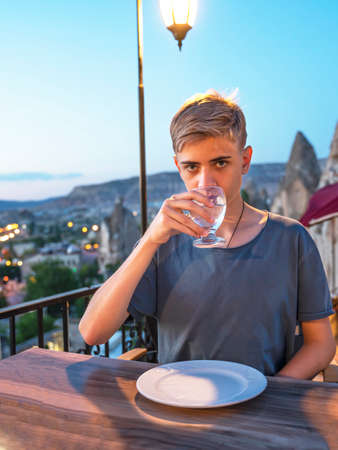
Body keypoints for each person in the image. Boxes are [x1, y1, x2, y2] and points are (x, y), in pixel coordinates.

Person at [79, 90, 336, 378]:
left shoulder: (291, 239)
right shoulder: (164, 244)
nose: (205, 182)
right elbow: (93, 332)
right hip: (178, 407)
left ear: (245, 160)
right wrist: (149, 239)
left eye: (220, 163)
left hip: (261, 411)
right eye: (192, 167)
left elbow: (321, 343)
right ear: (178, 167)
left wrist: (270, 395)